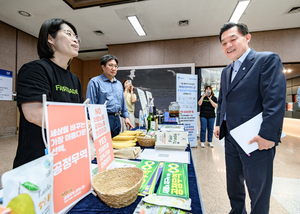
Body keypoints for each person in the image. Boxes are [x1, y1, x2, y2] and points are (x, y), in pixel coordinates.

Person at [214, 22, 286, 214]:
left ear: (247, 37)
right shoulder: (226, 71)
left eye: (232, 39)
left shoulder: (266, 60)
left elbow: (275, 100)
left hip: (255, 139)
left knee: (258, 189)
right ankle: (237, 211)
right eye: (223, 43)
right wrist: (218, 123)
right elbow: (223, 101)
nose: (228, 45)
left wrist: (268, 136)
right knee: (233, 184)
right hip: (230, 138)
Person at [14, 18, 84, 168]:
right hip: (37, 161)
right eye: (69, 34)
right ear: (50, 38)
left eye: (76, 37)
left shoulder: (74, 79)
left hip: (67, 157)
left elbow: (80, 113)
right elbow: (35, 114)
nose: (75, 40)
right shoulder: (35, 70)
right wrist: (81, 123)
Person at [86, 55, 133, 138]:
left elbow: (122, 102)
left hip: (116, 119)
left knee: (115, 145)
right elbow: (91, 104)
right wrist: (91, 122)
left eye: (115, 66)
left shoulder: (118, 84)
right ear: (103, 67)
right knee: (103, 146)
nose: (113, 68)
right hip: (102, 119)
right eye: (110, 65)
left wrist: (126, 117)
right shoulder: (94, 82)